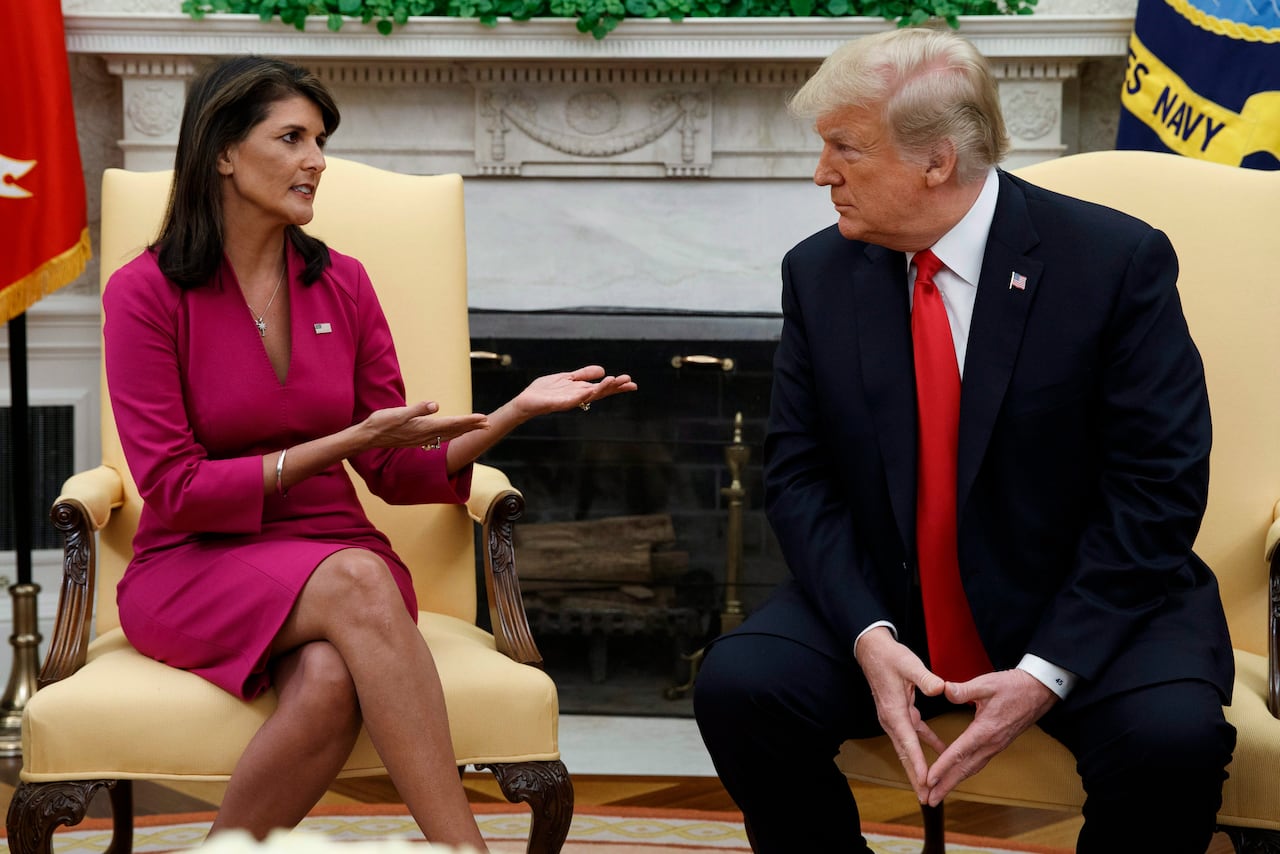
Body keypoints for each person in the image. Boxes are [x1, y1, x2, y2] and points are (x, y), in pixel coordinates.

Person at [693, 26, 1236, 854]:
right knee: (741, 688)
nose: (821, 173)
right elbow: (799, 477)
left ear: (936, 162)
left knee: (1173, 742)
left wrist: (1046, 669)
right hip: (892, 597)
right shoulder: (820, 272)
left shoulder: (1112, 262)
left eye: (845, 148)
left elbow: (1156, 487)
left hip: (1087, 601)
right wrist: (869, 638)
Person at [102, 55, 636, 850]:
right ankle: (468, 851)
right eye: (292, 137)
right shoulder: (143, 293)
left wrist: (513, 411)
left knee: (324, 681)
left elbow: (396, 467)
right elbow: (174, 490)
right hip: (193, 564)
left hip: (335, 553)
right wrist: (340, 443)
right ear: (222, 150)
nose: (317, 160)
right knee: (355, 582)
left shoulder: (343, 284)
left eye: (319, 139)